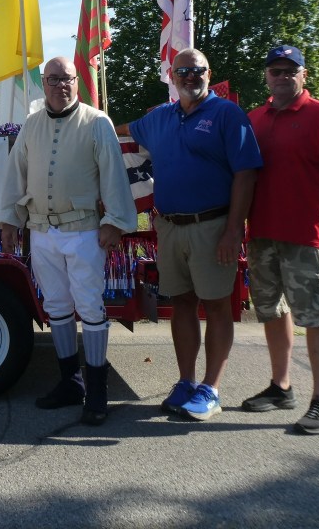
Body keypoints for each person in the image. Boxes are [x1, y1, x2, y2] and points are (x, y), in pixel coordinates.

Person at [117, 48, 262, 421]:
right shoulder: (159, 118)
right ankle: (186, 382)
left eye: (196, 70)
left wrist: (234, 230)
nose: (189, 76)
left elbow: (246, 173)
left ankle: (210, 389)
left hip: (213, 227)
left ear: (208, 73)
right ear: (172, 75)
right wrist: (79, 120)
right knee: (180, 304)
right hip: (169, 227)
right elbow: (118, 131)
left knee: (216, 306)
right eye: (182, 71)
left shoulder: (227, 115)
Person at [0, 57, 138, 425]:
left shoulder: (97, 122)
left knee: (90, 307)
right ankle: (70, 382)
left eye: (67, 79)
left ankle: (98, 391)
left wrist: (116, 222)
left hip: (84, 232)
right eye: (53, 79)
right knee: (57, 306)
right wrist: (10, 219)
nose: (61, 85)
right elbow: (16, 174)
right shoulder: (31, 125)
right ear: (43, 83)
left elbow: (113, 175)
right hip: (42, 233)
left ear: (78, 82)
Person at [241, 45, 319, 435]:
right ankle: (281, 387)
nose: (282, 76)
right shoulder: (254, 119)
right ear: (267, 75)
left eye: (290, 71)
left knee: (316, 316)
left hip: (309, 239)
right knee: (272, 313)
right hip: (262, 235)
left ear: (303, 75)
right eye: (275, 70)